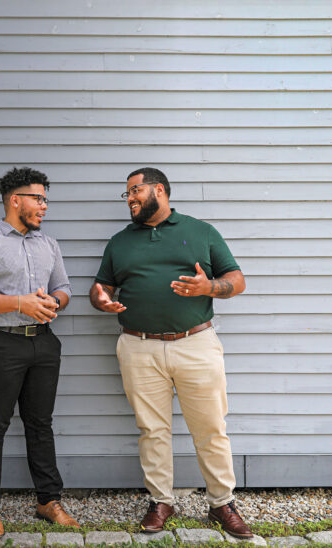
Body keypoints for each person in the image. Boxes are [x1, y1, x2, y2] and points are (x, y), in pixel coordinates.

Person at [89, 167, 253, 539]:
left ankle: (222, 503)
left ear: (159, 190)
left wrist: (208, 287)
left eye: (135, 190)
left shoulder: (201, 231)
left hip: (195, 343)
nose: (129, 198)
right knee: (152, 430)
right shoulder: (120, 241)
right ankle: (161, 500)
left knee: (210, 428)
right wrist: (101, 299)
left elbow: (237, 281)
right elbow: (101, 287)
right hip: (138, 345)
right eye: (127, 194)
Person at [0, 166, 80, 539]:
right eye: (38, 198)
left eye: (46, 199)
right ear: (16, 200)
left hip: (44, 342)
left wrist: (52, 301)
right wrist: (19, 303)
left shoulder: (48, 244)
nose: (44, 206)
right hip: (1, 343)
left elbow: (64, 287)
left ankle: (48, 500)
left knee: (41, 425)